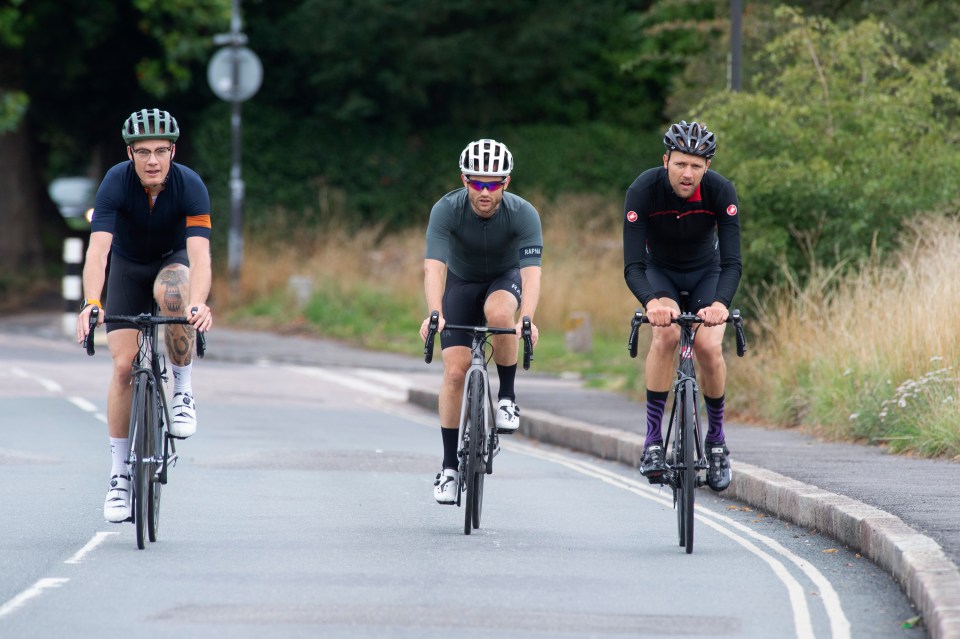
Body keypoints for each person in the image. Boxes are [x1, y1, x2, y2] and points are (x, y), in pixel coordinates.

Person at [76, 108, 214, 522]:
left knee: (175, 293)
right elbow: (98, 251)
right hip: (128, 267)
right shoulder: (115, 183)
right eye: (142, 152)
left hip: (172, 263)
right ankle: (119, 476)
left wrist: (199, 302)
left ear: (172, 151)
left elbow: (200, 256)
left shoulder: (190, 185)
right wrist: (91, 302)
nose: (152, 160)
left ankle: (183, 388)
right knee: (122, 369)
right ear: (130, 154)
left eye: (160, 151)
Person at [419, 139, 543, 504]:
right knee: (455, 372)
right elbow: (434, 266)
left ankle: (506, 397)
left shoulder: (523, 214)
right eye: (476, 182)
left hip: (503, 279)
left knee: (501, 315)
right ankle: (449, 468)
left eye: (492, 183)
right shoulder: (446, 209)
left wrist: (528, 319)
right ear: (464, 180)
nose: (484, 191)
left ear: (506, 182)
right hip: (460, 282)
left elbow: (532, 274)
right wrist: (434, 312)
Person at [622, 120, 742, 492]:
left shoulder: (721, 192)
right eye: (680, 164)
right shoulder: (643, 190)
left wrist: (721, 304)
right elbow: (633, 266)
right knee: (665, 337)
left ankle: (717, 442)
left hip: (707, 272)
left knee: (708, 346)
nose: (687, 173)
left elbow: (733, 262)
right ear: (666, 161)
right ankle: (653, 442)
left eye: (696, 165)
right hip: (661, 274)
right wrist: (651, 302)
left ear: (707, 166)